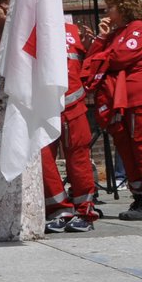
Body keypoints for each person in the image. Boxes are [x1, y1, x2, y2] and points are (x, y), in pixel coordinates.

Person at [82, 0, 142, 220]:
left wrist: (104, 55)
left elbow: (118, 58)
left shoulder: (139, 29)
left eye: (110, 7)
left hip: (140, 95)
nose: (106, 11)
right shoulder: (117, 33)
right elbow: (93, 60)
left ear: (123, 8)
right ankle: (139, 195)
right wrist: (100, 39)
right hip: (121, 97)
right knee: (126, 147)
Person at [42, 20, 101, 232]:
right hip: (44, 108)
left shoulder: (73, 31)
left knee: (79, 159)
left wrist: (90, 46)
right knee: (44, 159)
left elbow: (91, 63)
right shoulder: (29, 27)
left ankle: (85, 211)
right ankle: (59, 209)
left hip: (74, 106)